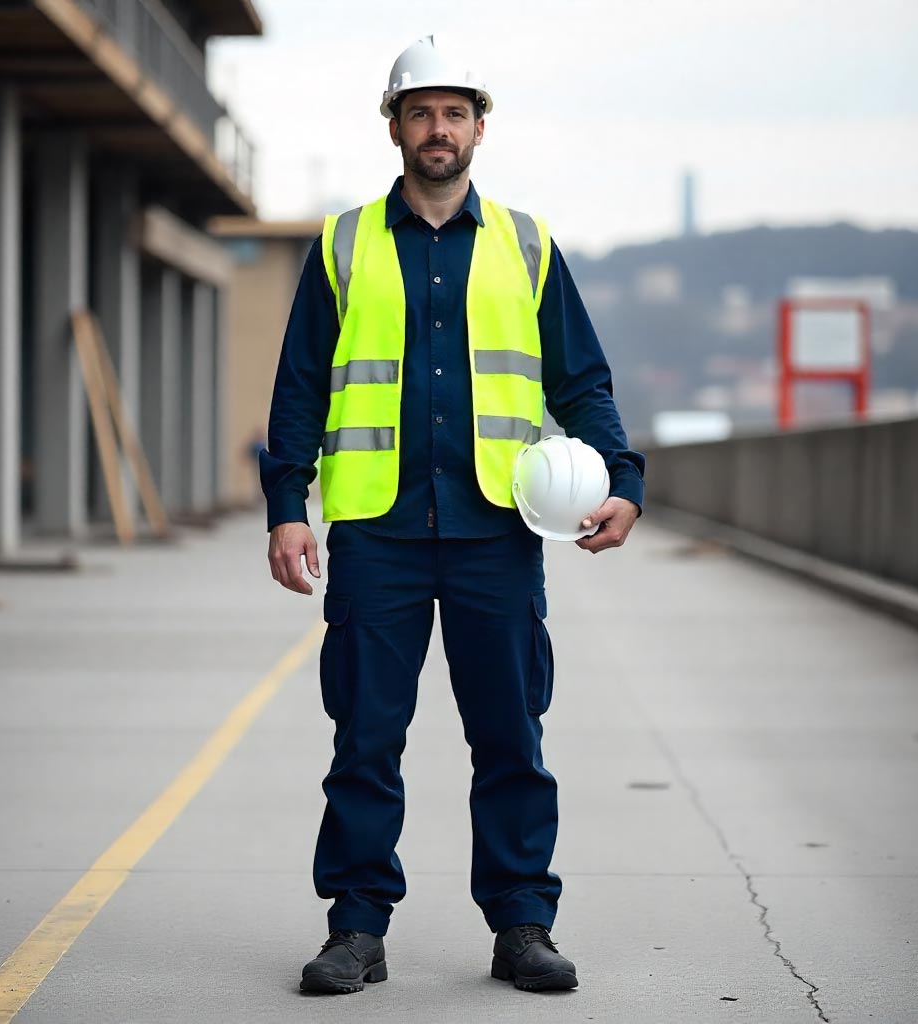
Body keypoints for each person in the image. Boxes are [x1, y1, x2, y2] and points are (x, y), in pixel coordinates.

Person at [260, 35, 645, 995]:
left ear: (480, 125)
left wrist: (624, 480)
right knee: (364, 738)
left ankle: (522, 925)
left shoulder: (526, 243)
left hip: (498, 534)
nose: (440, 130)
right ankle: (356, 929)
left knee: (511, 736)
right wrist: (286, 505)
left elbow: (581, 380)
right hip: (378, 537)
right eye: (421, 112)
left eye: (456, 113)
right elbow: (301, 385)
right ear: (393, 124)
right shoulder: (345, 243)